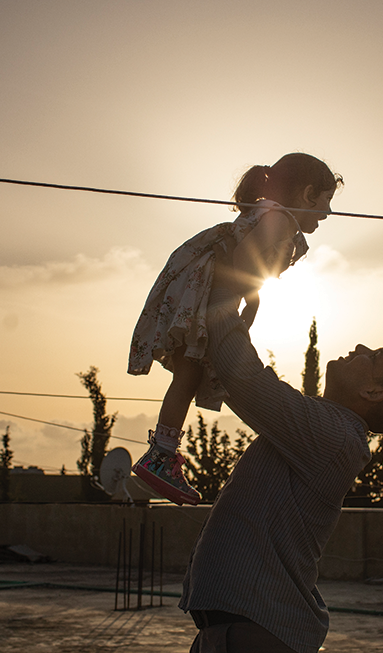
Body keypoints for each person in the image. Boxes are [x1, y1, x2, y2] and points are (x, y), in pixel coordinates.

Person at [180, 238, 383, 653]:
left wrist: (223, 289)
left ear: (374, 394)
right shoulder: (318, 430)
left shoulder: (331, 436)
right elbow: (235, 383)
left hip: (256, 635)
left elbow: (244, 378)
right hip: (243, 631)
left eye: (371, 357)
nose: (358, 346)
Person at [128, 153, 344, 505]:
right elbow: (246, 259)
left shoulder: (268, 213)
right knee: (190, 374)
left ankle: (162, 453)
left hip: (199, 288)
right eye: (326, 200)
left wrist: (251, 299)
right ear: (307, 194)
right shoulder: (280, 219)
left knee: (188, 374)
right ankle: (160, 457)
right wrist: (246, 297)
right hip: (207, 293)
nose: (328, 211)